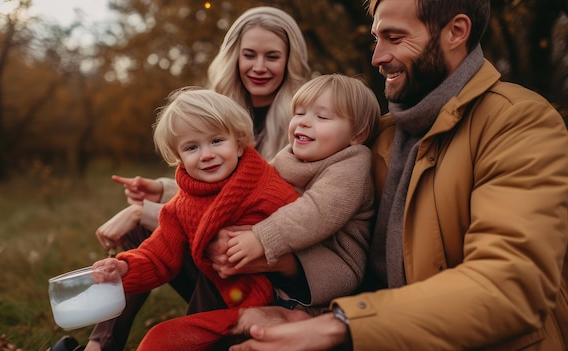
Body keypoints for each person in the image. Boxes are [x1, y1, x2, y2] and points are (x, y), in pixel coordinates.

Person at [227, 0, 568, 350]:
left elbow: (512, 287)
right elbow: (301, 201)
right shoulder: (379, 137)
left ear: (456, 32)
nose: (377, 57)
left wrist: (341, 326)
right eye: (377, 38)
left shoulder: (518, 122)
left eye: (394, 37)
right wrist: (304, 315)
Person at [55, 7, 313, 351]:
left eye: (272, 56)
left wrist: (140, 210)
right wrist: (160, 191)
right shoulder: (214, 106)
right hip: (222, 269)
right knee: (168, 244)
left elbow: (301, 214)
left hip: (269, 275)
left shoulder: (304, 120)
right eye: (249, 55)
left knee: (206, 243)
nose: (259, 66)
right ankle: (100, 345)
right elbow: (201, 197)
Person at [92, 87, 300, 350]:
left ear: (238, 145)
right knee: (157, 341)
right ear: (179, 158)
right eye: (192, 147)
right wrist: (124, 269)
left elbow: (305, 237)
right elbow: (158, 256)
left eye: (216, 141)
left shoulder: (267, 189)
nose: (206, 154)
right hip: (227, 303)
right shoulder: (181, 206)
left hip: (281, 303)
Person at [224, 74, 379, 316]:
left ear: (357, 135)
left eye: (322, 116)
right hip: (290, 252)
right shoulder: (290, 157)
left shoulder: (352, 165)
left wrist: (263, 238)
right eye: (299, 113)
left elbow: (316, 210)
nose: (304, 122)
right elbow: (249, 183)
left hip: (331, 267)